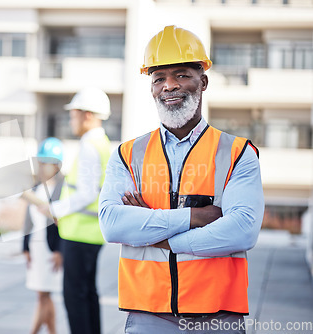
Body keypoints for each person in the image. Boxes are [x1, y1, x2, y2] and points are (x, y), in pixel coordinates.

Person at [99, 25, 265, 333]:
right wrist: (196, 217)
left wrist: (156, 232)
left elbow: (242, 230)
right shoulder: (127, 154)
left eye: (181, 75)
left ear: (203, 82)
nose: (169, 86)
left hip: (218, 315)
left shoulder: (238, 153)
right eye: (159, 78)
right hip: (148, 313)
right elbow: (112, 224)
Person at [39, 87, 111, 334]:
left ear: (88, 115)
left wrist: (55, 209)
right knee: (88, 295)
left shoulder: (90, 145)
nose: (71, 119)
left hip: (79, 235)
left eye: (74, 114)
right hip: (90, 235)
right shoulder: (102, 144)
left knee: (75, 300)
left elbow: (87, 193)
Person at [22, 137, 65, 334]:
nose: (41, 167)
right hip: (37, 248)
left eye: (45, 163)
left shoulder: (62, 188)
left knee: (44, 296)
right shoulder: (36, 187)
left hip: (51, 249)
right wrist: (25, 247)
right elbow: (28, 220)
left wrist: (60, 251)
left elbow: (63, 222)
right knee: (43, 296)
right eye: (40, 162)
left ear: (56, 165)